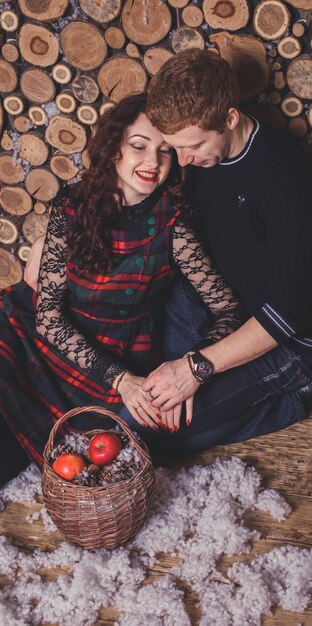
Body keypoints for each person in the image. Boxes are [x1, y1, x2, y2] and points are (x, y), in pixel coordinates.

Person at [0, 93, 243, 486]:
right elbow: (48, 317)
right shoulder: (72, 204)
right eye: (139, 146)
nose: (152, 162)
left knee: (25, 453)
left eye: (165, 151)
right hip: (38, 334)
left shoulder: (174, 228)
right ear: (114, 147)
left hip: (108, 363)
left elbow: (229, 310)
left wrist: (190, 368)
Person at [127, 49, 312, 439]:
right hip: (221, 304)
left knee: (151, 430)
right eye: (172, 146)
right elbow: (126, 181)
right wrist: (53, 235)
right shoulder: (195, 153)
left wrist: (194, 368)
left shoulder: (292, 180)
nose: (181, 160)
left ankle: (290, 401)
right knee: (134, 385)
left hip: (289, 339)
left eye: (191, 146)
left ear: (230, 117)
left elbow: (291, 313)